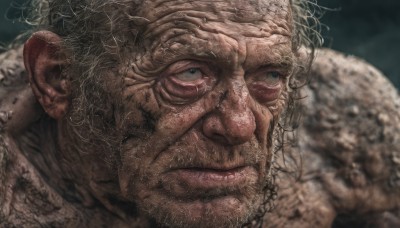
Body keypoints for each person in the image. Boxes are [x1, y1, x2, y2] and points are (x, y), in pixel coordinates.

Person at [0, 0, 399, 227]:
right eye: (190, 74)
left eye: (270, 75)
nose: (240, 125)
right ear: (57, 78)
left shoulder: (340, 120)